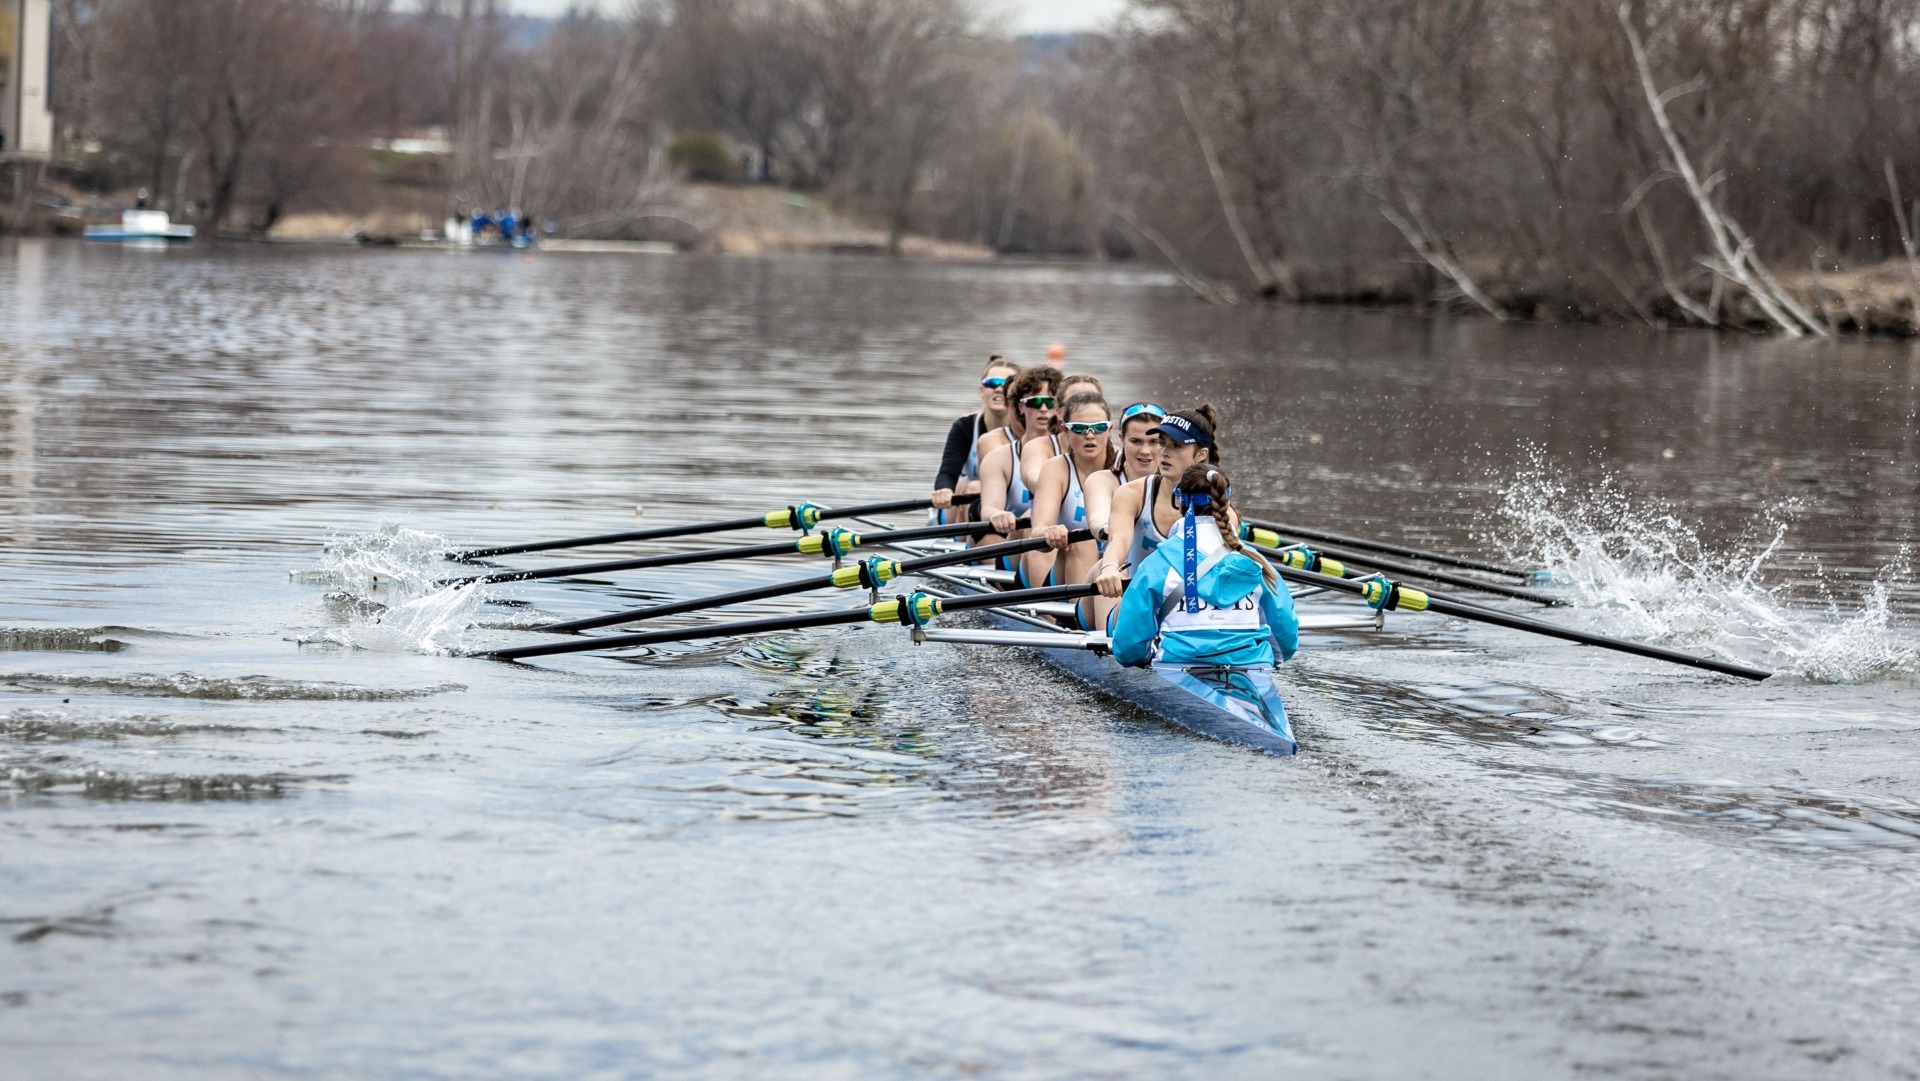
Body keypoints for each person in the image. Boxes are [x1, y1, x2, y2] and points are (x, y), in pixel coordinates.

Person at [1109, 465, 1298, 749]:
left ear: (1179, 502)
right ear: (1227, 501)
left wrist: (1148, 657)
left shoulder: (1157, 564)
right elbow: (1286, 638)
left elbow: (1128, 649)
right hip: (1251, 668)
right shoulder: (1257, 563)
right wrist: (1265, 659)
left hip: (1179, 666)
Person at [1091, 403, 1229, 630]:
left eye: (1176, 446)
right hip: (1133, 604)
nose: (1164, 452)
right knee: (1101, 567)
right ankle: (1100, 639)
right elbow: (1119, 540)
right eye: (1162, 442)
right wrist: (1110, 568)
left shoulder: (1221, 506)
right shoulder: (1132, 493)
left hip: (1185, 610)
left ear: (1201, 454)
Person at [1022, 392, 1120, 606]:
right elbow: (1038, 530)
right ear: (1065, 430)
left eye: (1099, 428)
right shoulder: (1056, 468)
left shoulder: (1125, 465)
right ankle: (1075, 616)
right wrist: (1049, 532)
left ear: (1110, 429)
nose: (1090, 435)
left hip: (1115, 569)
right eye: (1080, 428)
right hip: (1067, 568)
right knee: (1082, 542)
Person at [976, 366, 1064, 558]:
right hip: (1013, 545)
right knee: (1032, 520)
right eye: (1035, 402)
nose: (1043, 409)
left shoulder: (1075, 455)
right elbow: (988, 508)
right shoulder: (998, 458)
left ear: (1060, 408)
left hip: (1066, 546)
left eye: (1050, 402)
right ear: (1021, 407)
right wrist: (996, 514)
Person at [932, 355, 1021, 523]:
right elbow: (948, 472)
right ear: (982, 391)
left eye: (1006, 384)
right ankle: (962, 538)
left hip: (1009, 507)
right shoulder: (965, 426)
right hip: (966, 504)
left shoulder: (1027, 429)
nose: (999, 389)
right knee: (972, 486)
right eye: (992, 383)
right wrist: (943, 489)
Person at [1111, 402, 1167, 483]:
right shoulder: (1103, 481)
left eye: (1154, 442)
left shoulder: (1180, 484)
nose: (1145, 451)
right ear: (1122, 438)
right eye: (1136, 441)